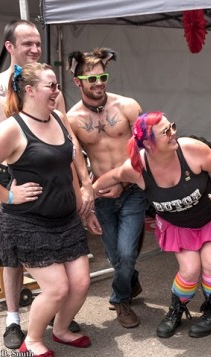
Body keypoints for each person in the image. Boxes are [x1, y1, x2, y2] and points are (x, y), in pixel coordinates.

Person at [0, 19, 91, 349]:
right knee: (11, 260)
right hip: (8, 180)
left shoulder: (51, 94)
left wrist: (83, 184)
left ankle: (55, 319)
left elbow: (68, 145)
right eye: (27, 44)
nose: (35, 48)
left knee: (68, 280)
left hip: (51, 179)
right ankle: (14, 320)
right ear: (10, 47)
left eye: (38, 43)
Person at [93, 111, 211, 338]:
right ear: (148, 143)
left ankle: (210, 312)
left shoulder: (192, 150)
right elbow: (112, 176)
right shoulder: (137, 168)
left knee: (210, 264)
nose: (173, 133)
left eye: (173, 126)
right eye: (166, 131)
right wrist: (88, 195)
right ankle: (175, 311)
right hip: (178, 227)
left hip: (210, 219)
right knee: (189, 270)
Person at [66, 48, 145, 328]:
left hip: (132, 191)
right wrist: (86, 205)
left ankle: (120, 300)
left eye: (103, 76)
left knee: (125, 254)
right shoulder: (71, 119)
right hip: (101, 196)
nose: (99, 82)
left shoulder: (127, 106)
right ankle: (130, 282)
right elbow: (74, 164)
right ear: (78, 82)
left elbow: (147, 149)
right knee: (117, 256)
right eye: (92, 78)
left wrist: (123, 182)